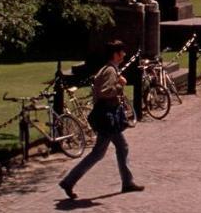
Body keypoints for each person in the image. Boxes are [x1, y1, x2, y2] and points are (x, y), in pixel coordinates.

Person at [58, 41, 144, 199]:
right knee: (103, 152)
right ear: (116, 54)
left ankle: (127, 181)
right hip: (107, 117)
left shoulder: (108, 69)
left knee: (114, 149)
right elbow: (105, 92)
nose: (124, 55)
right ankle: (69, 181)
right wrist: (120, 85)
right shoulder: (110, 71)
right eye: (122, 52)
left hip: (106, 117)